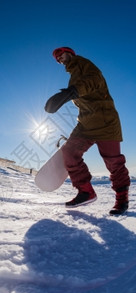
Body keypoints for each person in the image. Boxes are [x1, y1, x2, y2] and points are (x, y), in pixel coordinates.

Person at [45, 47, 130, 215]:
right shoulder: (72, 75)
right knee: (69, 152)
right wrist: (68, 94)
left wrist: (73, 92)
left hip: (105, 121)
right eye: (57, 58)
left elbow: (94, 80)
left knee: (113, 162)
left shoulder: (83, 63)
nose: (59, 59)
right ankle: (86, 191)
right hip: (85, 123)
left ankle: (122, 200)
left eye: (60, 54)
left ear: (69, 52)